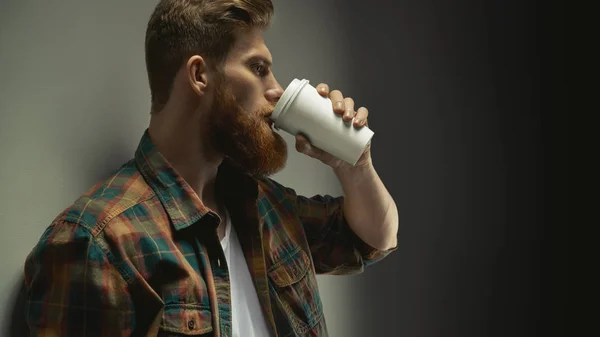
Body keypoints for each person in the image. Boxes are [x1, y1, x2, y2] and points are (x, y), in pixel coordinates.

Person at [23, 0, 399, 336]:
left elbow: (371, 239)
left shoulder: (265, 206)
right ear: (200, 75)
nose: (277, 91)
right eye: (258, 68)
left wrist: (355, 165)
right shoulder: (97, 244)